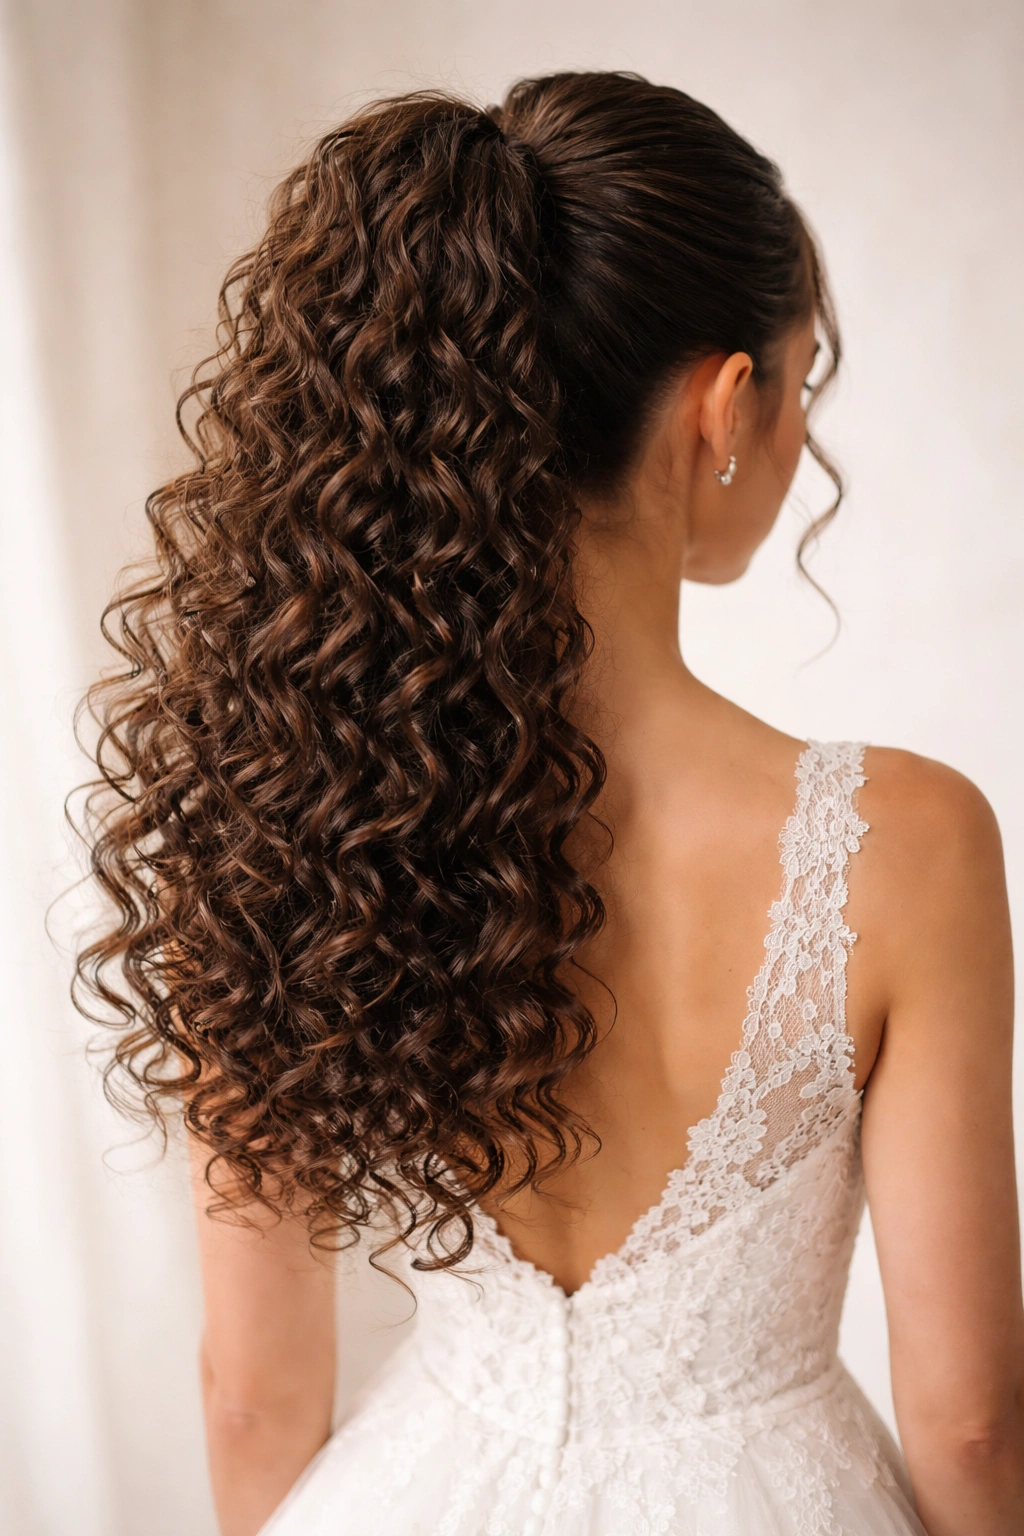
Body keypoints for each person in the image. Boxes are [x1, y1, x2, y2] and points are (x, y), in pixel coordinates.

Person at [77, 70, 1024, 1536]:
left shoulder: (293, 802)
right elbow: (971, 1424)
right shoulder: (914, 844)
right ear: (722, 404)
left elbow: (250, 1397)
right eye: (798, 377)